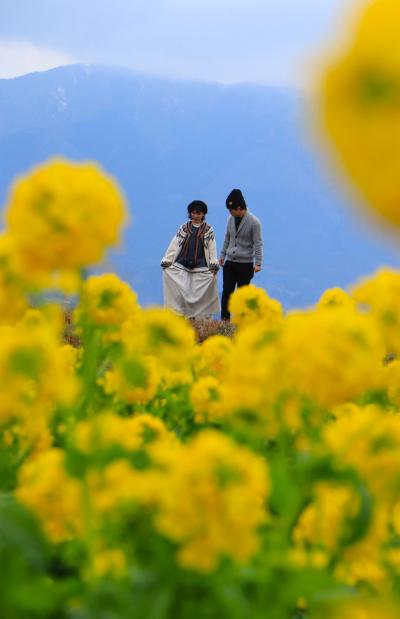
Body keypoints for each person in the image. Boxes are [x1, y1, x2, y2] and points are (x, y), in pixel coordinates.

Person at [161, 200, 220, 318]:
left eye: (198, 213)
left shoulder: (208, 230)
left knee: (200, 290)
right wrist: (168, 259)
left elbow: (212, 247)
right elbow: (176, 242)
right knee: (180, 286)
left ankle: (200, 316)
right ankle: (177, 313)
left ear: (203, 214)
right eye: (193, 213)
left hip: (201, 265)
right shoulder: (184, 228)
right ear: (190, 213)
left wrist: (213, 263)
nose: (196, 215)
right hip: (182, 263)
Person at [219, 188, 263, 321]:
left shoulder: (254, 222)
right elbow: (227, 237)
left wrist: (258, 263)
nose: (229, 212)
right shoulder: (230, 219)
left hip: (245, 264)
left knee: (243, 295)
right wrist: (222, 255)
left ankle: (242, 321)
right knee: (227, 291)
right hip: (230, 262)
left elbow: (258, 243)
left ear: (239, 208)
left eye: (231, 209)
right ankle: (225, 321)